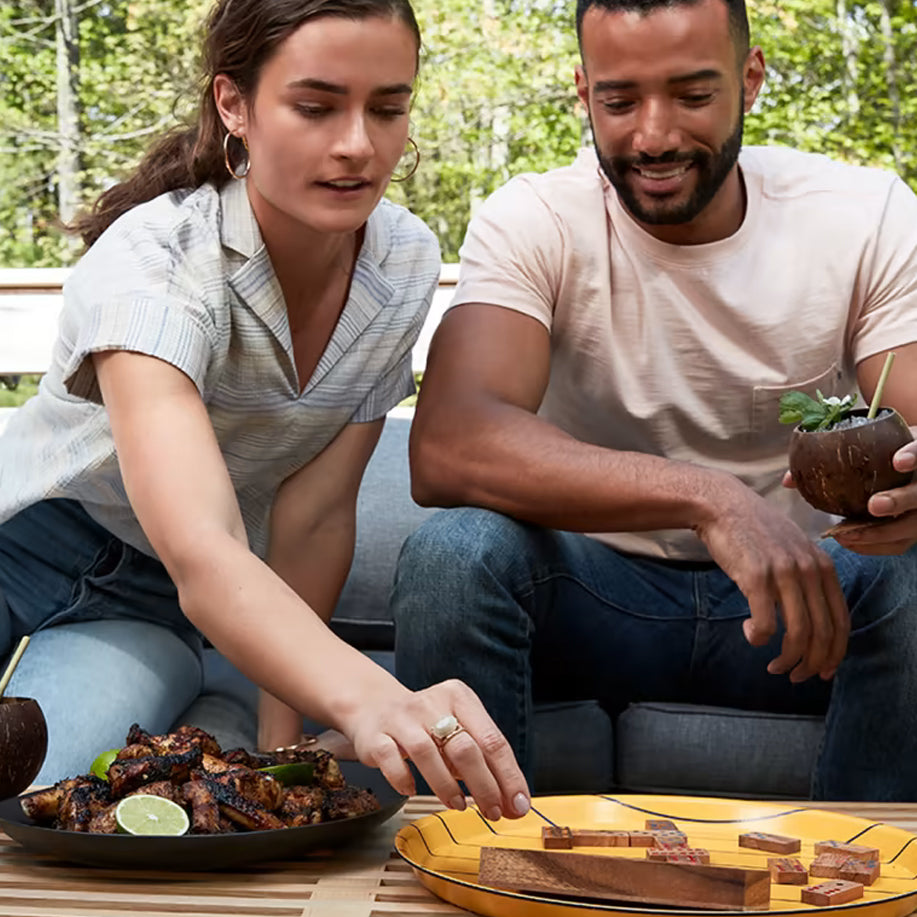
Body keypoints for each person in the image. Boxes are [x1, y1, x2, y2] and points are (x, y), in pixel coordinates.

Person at [0, 0, 530, 821]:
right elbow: (206, 547)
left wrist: (284, 750)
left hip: (143, 603)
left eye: (387, 107)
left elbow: (313, 517)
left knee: (43, 802)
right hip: (21, 546)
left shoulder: (402, 261)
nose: (358, 143)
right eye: (316, 107)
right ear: (233, 105)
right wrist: (369, 696)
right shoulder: (157, 259)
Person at [391, 0, 917, 800]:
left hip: (812, 611)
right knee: (451, 554)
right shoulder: (535, 217)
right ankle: (471, 865)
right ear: (582, 93)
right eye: (619, 99)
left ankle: (867, 874)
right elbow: (448, 445)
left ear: (749, 79)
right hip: (594, 601)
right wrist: (711, 499)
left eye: (692, 94)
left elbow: (908, 417)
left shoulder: (863, 213)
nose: (654, 135)